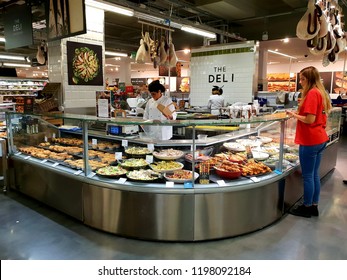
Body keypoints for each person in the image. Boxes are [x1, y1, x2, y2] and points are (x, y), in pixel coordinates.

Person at [286, 66, 332, 218]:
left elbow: (309, 119)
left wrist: (294, 115)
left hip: (310, 140)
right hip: (320, 139)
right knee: (313, 175)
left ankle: (306, 208)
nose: (300, 82)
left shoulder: (312, 93)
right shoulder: (321, 92)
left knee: (307, 176)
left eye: (303, 79)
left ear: (310, 79)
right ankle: (314, 206)